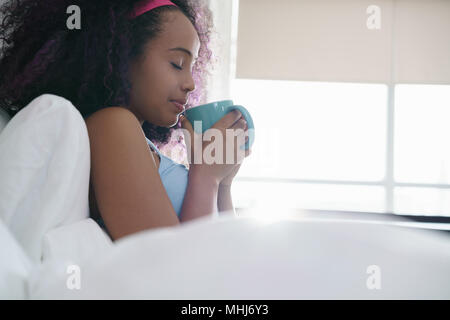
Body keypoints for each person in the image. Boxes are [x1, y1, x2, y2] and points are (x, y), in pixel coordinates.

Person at [0, 0, 251, 241]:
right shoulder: (111, 125)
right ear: (124, 53)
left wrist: (223, 182)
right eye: (177, 63)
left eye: (192, 67)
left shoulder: (138, 141)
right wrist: (205, 178)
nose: (191, 83)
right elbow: (173, 266)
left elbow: (228, 247)